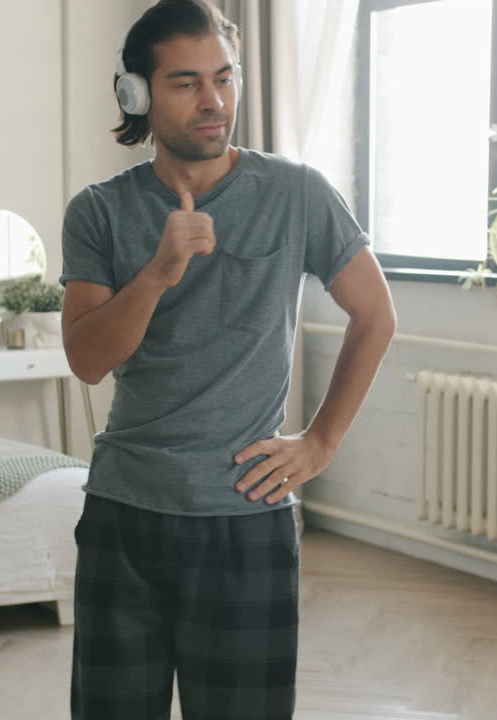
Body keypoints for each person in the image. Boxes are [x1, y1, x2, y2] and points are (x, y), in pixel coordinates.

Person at [59, 0, 395, 717]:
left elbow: (375, 313)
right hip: (126, 513)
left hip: (246, 515)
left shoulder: (296, 193)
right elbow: (87, 359)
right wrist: (157, 271)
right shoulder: (98, 211)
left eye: (225, 77)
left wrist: (321, 441)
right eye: (185, 83)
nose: (214, 101)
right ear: (138, 95)